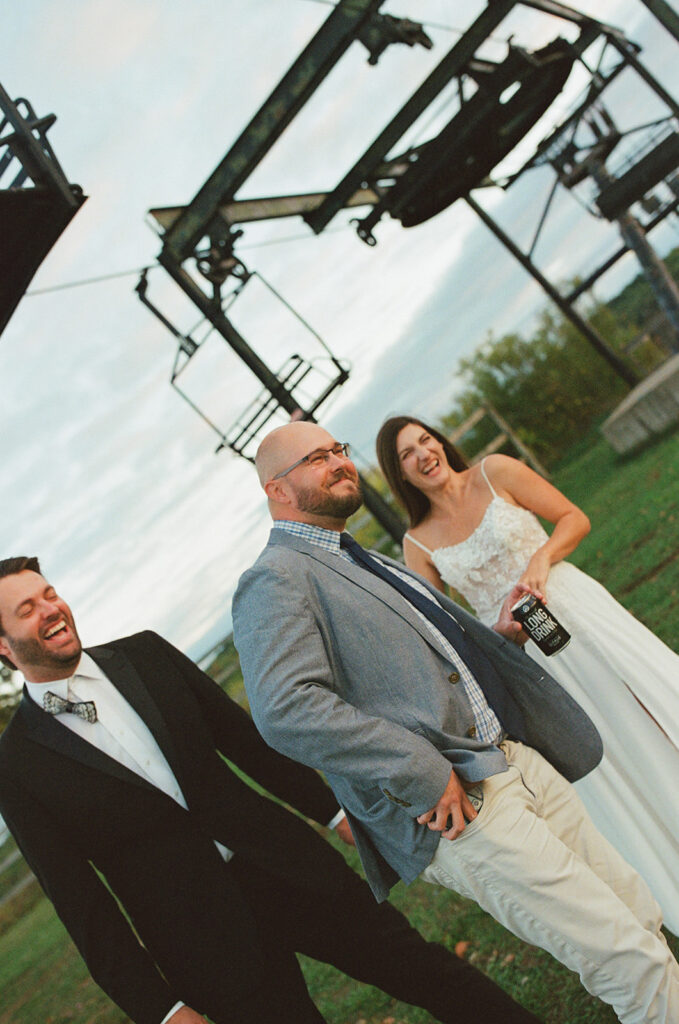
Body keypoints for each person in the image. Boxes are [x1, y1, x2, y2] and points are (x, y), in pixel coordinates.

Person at [233, 419, 679, 1024]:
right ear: (277, 491)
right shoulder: (275, 577)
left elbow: (416, 666)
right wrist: (418, 768)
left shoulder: (355, 555)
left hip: (512, 759)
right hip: (460, 803)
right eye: (316, 459)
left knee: (637, 915)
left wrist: (494, 644)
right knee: (624, 958)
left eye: (339, 448)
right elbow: (285, 707)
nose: (338, 462)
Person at [0, 556, 547, 1024]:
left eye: (49, 594)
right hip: (201, 940)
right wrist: (160, 1010)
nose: (51, 608)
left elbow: (247, 743)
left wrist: (335, 814)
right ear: (4, 647)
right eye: (27, 609)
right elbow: (79, 900)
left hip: (289, 864)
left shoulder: (145, 655)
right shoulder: (16, 764)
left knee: (424, 970)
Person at [375, 414, 679, 935]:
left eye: (425, 440)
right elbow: (447, 633)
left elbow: (573, 518)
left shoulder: (495, 472)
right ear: (399, 474)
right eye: (407, 454)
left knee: (647, 701)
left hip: (576, 608)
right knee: (600, 746)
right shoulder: (417, 545)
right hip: (526, 656)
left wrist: (539, 560)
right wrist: (498, 633)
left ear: (440, 442)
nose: (424, 454)